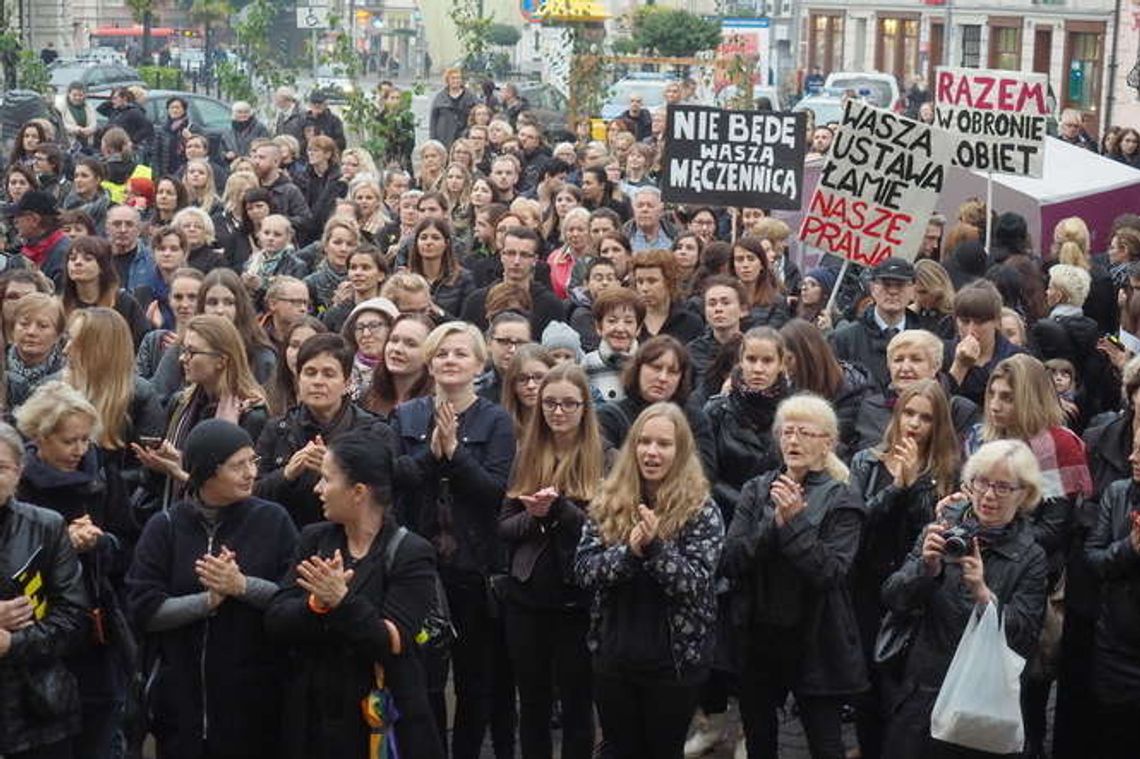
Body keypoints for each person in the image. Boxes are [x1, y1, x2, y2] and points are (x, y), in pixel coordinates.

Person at [264, 428, 445, 758]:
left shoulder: (410, 551)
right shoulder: (315, 540)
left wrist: (342, 602)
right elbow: (277, 618)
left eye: (327, 480)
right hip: (314, 717)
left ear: (358, 492)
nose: (318, 489)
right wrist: (316, 605)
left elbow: (392, 641)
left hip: (380, 720)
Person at [127, 419, 299, 759]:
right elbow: (143, 610)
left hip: (256, 704)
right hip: (180, 707)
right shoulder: (166, 527)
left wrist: (241, 586)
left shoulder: (273, 521)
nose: (251, 473)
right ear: (206, 471)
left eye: (253, 462)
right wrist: (207, 601)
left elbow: (292, 601)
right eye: (238, 465)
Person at [390, 321, 516, 759]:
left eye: (460, 353)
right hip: (418, 567)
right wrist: (432, 453)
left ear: (479, 363)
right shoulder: (407, 416)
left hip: (473, 566)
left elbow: (494, 491)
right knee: (422, 675)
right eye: (442, 353)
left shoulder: (497, 419)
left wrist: (456, 454)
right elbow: (397, 479)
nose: (450, 361)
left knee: (473, 679)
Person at [881, 439, 1049, 758]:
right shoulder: (942, 528)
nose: (988, 495)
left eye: (1002, 487)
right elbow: (893, 597)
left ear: (1024, 494)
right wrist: (925, 570)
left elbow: (1024, 635)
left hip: (980, 702)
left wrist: (984, 596)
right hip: (924, 693)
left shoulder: (1031, 556)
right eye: (982, 482)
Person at [574, 402, 724, 759]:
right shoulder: (608, 499)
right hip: (614, 655)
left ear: (681, 450)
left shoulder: (701, 509)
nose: (652, 452)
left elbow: (696, 584)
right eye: (644, 442)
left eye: (664, 444)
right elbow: (584, 570)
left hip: (674, 663)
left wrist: (657, 549)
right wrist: (630, 554)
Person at [721, 393, 867, 759]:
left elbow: (831, 572)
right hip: (759, 635)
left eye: (805, 432)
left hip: (816, 637)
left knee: (825, 743)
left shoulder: (843, 497)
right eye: (786, 432)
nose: (793, 440)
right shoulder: (758, 488)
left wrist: (795, 525)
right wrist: (775, 525)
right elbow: (732, 560)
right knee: (759, 738)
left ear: (828, 442)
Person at [848, 379, 961, 758]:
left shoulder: (948, 472)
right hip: (867, 587)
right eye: (908, 413)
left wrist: (915, 487)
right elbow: (858, 524)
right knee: (865, 687)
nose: (914, 423)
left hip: (913, 591)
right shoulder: (868, 461)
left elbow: (929, 533)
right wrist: (897, 486)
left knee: (900, 689)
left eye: (925, 417)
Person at [499, 364, 601, 759]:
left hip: (577, 600)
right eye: (550, 404)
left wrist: (559, 510)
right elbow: (504, 525)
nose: (558, 412)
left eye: (569, 404)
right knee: (534, 703)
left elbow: (603, 530)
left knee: (578, 703)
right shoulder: (528, 453)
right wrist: (536, 517)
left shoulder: (603, 455)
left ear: (584, 407)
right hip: (527, 596)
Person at [0, 421, 89, 759]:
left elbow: (73, 619)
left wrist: (13, 643)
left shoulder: (46, 527)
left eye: (1, 468)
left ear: (19, 472)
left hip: (37, 709)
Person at [255, 333, 394, 528]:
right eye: (310, 373)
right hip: (287, 536)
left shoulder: (374, 431)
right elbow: (253, 494)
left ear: (347, 384)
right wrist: (287, 473)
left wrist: (335, 471)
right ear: (298, 379)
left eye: (329, 374)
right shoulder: (277, 429)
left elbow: (384, 500)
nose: (318, 381)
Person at [1085, 428, 1140, 758]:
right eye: (1134, 449)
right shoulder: (1117, 494)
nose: (1132, 458)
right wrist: (1129, 549)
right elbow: (1092, 559)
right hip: (1115, 650)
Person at [597, 335, 717, 476]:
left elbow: (705, 472)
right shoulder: (610, 417)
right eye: (656, 367)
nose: (662, 378)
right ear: (638, 368)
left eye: (672, 372)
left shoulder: (695, 420)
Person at [831, 257, 923, 390]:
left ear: (913, 290)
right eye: (886, 284)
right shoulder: (843, 339)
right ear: (872, 288)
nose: (893, 291)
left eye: (900, 285)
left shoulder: (926, 339)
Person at [945, 280, 1025, 406]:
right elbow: (937, 405)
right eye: (965, 322)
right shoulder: (943, 353)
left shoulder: (1018, 357)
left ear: (997, 321)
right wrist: (959, 366)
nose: (971, 330)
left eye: (980, 322)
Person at [61, 235, 150, 348]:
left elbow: (142, 346)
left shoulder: (124, 303)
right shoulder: (61, 306)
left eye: (88, 259)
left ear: (102, 266)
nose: (77, 263)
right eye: (72, 258)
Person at [363, 312, 435, 419]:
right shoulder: (366, 396)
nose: (397, 349)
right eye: (394, 340)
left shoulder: (435, 406)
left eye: (411, 344)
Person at [632, 248, 703, 344]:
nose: (644, 288)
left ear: (669, 282)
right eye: (639, 281)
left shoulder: (690, 322)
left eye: (652, 281)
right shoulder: (630, 320)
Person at [7, 292, 66, 407]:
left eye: (43, 326)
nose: (31, 332)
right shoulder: (2, 365)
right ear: (12, 328)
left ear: (58, 334)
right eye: (24, 324)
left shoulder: (69, 374)